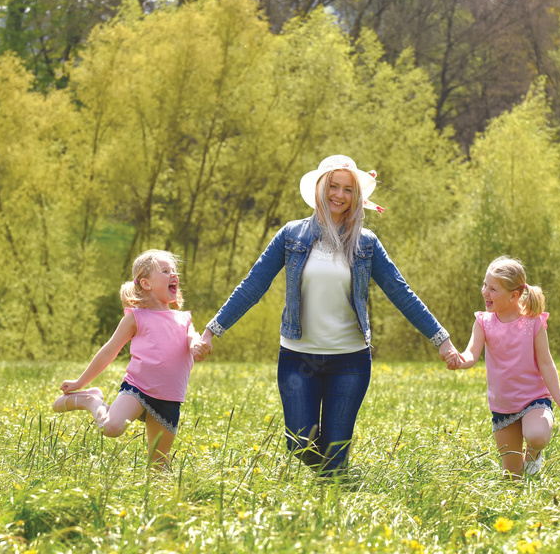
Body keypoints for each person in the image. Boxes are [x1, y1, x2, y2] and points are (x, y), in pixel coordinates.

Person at [192, 154, 459, 476]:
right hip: (297, 357)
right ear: (320, 188)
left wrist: (441, 340)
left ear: (357, 196)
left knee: (334, 456)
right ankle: (332, 482)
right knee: (298, 442)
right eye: (334, 186)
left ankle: (334, 497)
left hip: (350, 360)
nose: (340, 195)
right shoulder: (291, 235)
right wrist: (211, 331)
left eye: (348, 189)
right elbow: (253, 285)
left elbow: (401, 293)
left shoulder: (366, 243)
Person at [52, 250, 206, 468]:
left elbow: (193, 340)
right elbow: (109, 351)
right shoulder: (136, 317)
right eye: (165, 271)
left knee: (159, 461)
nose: (173, 275)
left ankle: (159, 498)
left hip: (170, 399)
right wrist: (79, 383)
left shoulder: (184, 319)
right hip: (138, 389)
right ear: (146, 283)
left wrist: (197, 346)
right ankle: (91, 400)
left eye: (174, 271)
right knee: (111, 428)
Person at [446, 256, 560, 478]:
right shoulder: (483, 322)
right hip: (503, 405)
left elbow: (546, 361)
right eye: (485, 284)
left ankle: (534, 453)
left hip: (534, 398)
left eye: (493, 289)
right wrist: (459, 360)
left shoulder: (532, 321)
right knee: (512, 476)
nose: (485, 291)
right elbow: (471, 354)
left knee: (537, 436)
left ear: (514, 295)